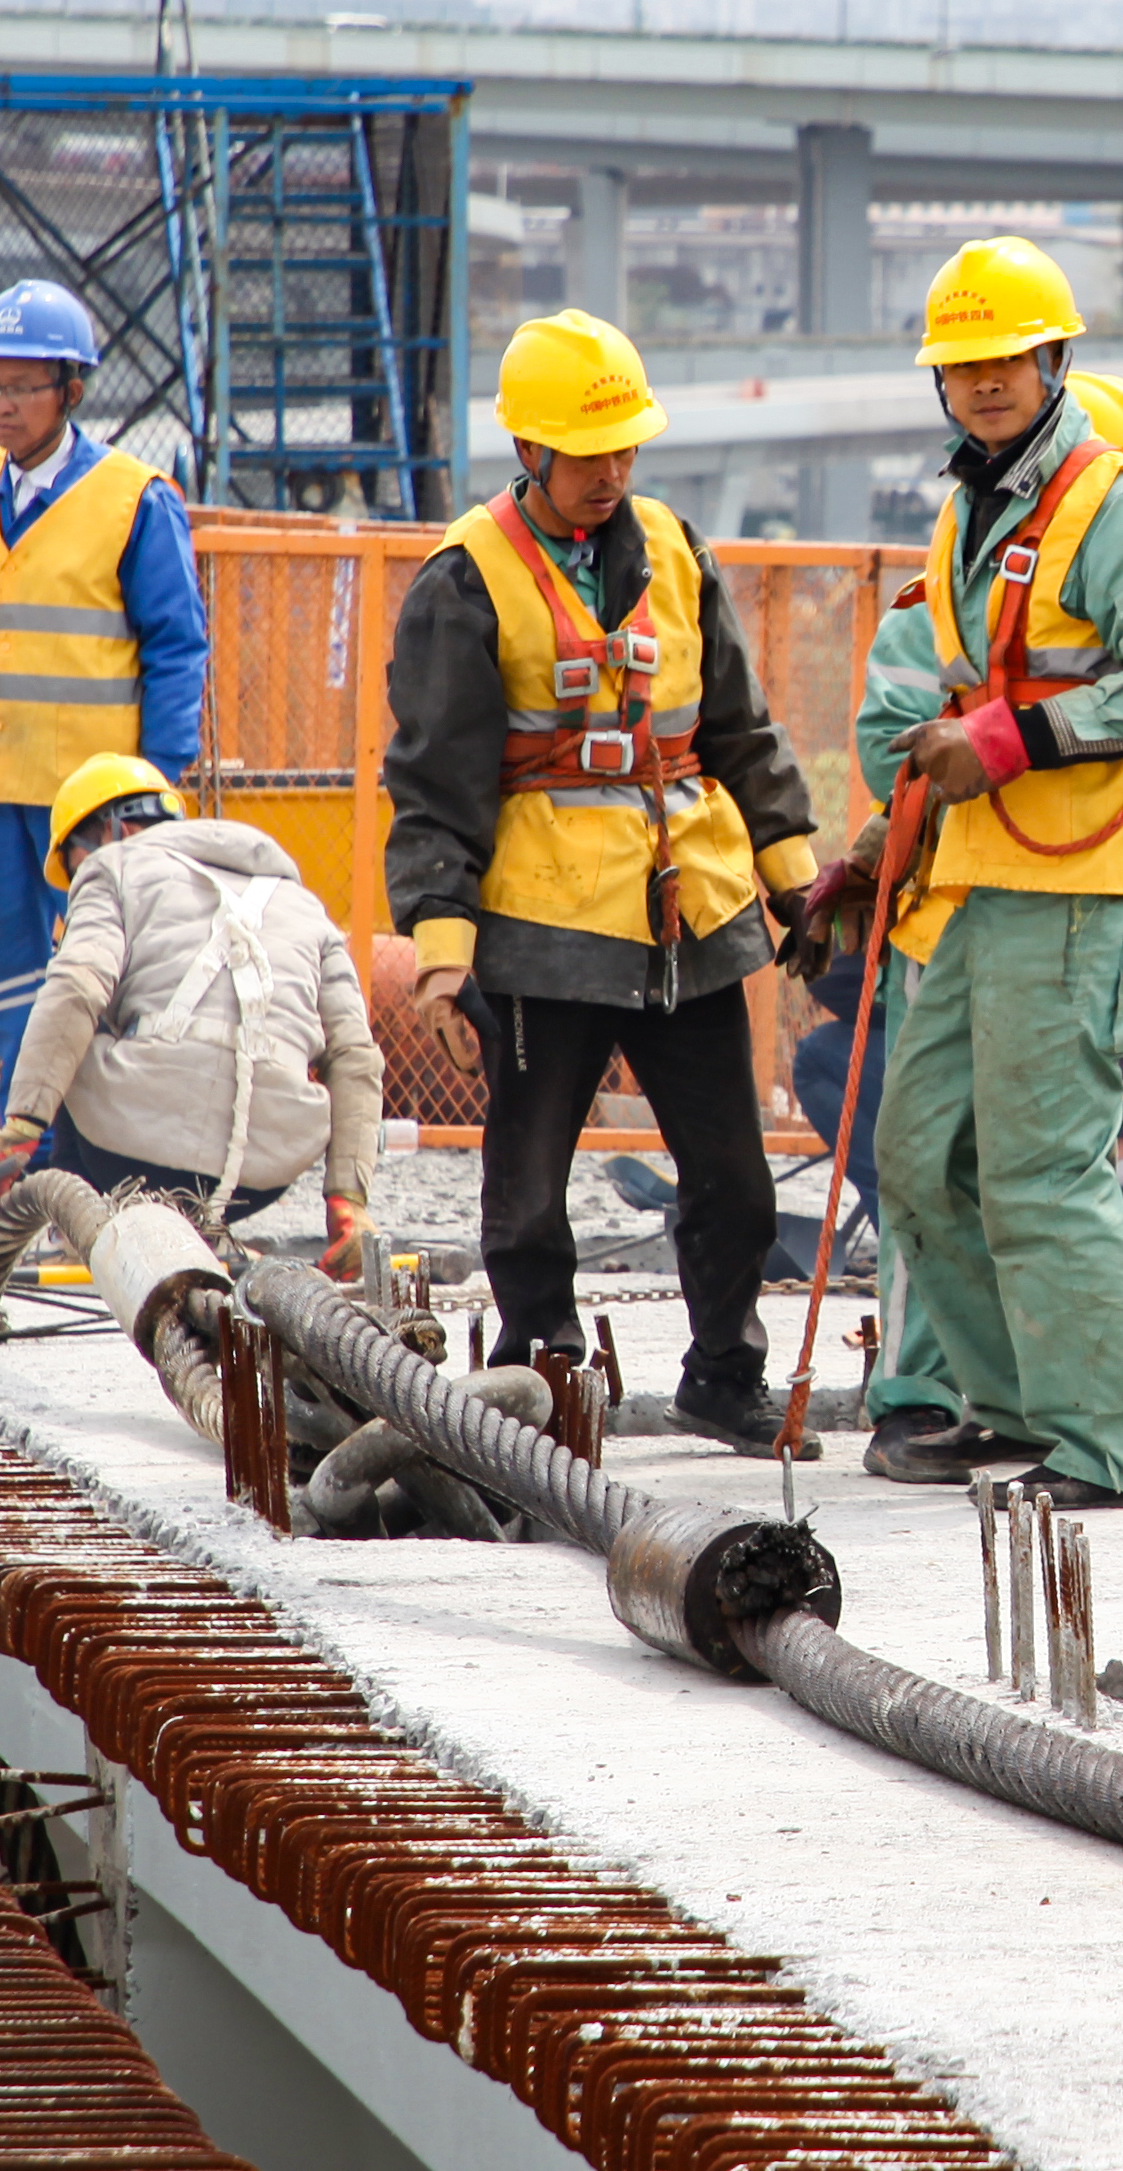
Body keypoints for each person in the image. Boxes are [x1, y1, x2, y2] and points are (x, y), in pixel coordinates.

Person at [382, 309, 827, 1453]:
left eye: (626, 449)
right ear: (530, 450)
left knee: (732, 1174)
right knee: (527, 1188)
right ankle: (546, 1378)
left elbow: (739, 729)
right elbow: (436, 782)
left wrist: (798, 885)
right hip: (542, 928)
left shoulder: (674, 551)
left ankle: (725, 1373)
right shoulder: (466, 580)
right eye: (589, 453)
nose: (611, 472)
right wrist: (443, 952)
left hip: (688, 917)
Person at [843, 238, 1123, 1509]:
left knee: (1040, 1173)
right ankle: (1005, 1408)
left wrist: (1005, 740)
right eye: (963, 366)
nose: (984, 382)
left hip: (1066, 895)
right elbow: (947, 676)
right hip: (972, 887)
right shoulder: (974, 506)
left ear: (1054, 359)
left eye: (1005, 360)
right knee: (922, 1154)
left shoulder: (1114, 505)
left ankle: (1105, 1447)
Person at [0, 279, 209, 1102]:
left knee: (97, 977)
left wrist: (154, 786)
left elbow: (177, 648)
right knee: (11, 979)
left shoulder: (135, 502)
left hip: (93, 806)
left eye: (22, 388)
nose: (2, 407)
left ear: (72, 391)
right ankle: (30, 1136)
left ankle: (94, 1142)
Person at [0, 754, 382, 1265]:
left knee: (72, 1023)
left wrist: (23, 1127)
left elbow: (75, 987)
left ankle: (77, 1237)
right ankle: (205, 1228)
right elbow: (355, 1055)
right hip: (263, 1174)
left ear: (116, 828)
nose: (74, 881)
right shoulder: (306, 906)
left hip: (128, 1156)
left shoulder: (112, 867)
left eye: (72, 864)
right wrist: (348, 1200)